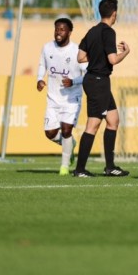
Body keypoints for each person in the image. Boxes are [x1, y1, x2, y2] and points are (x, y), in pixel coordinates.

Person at [74, 0, 131, 178]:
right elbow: (113, 60)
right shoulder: (108, 32)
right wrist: (125, 52)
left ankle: (110, 167)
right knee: (93, 124)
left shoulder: (92, 31)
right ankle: (80, 169)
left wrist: (98, 54)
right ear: (114, 14)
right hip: (98, 81)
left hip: (95, 80)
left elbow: (80, 57)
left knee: (113, 120)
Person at [37, 18, 87, 176]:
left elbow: (87, 74)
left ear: (69, 32)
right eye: (57, 29)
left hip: (72, 98)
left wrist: (73, 81)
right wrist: (39, 78)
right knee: (50, 133)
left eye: (62, 29)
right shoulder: (47, 47)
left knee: (66, 130)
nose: (58, 32)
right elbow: (42, 65)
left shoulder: (77, 50)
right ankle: (70, 144)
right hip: (53, 98)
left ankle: (64, 167)